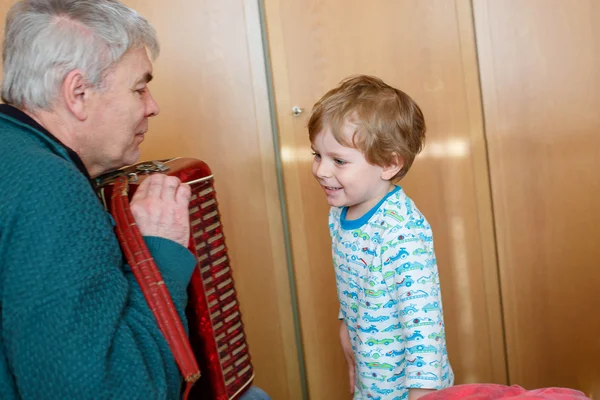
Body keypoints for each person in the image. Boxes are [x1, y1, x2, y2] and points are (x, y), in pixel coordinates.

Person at [0, 1, 269, 399]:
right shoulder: (53, 189)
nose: (153, 105)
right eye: (139, 88)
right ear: (78, 93)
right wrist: (159, 249)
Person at [308, 75, 454, 399]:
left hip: (409, 388)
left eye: (339, 161)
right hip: (370, 374)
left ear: (389, 164)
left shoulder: (403, 234)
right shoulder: (340, 212)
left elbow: (424, 327)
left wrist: (423, 392)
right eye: (317, 155)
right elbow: (353, 280)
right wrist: (346, 325)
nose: (321, 170)